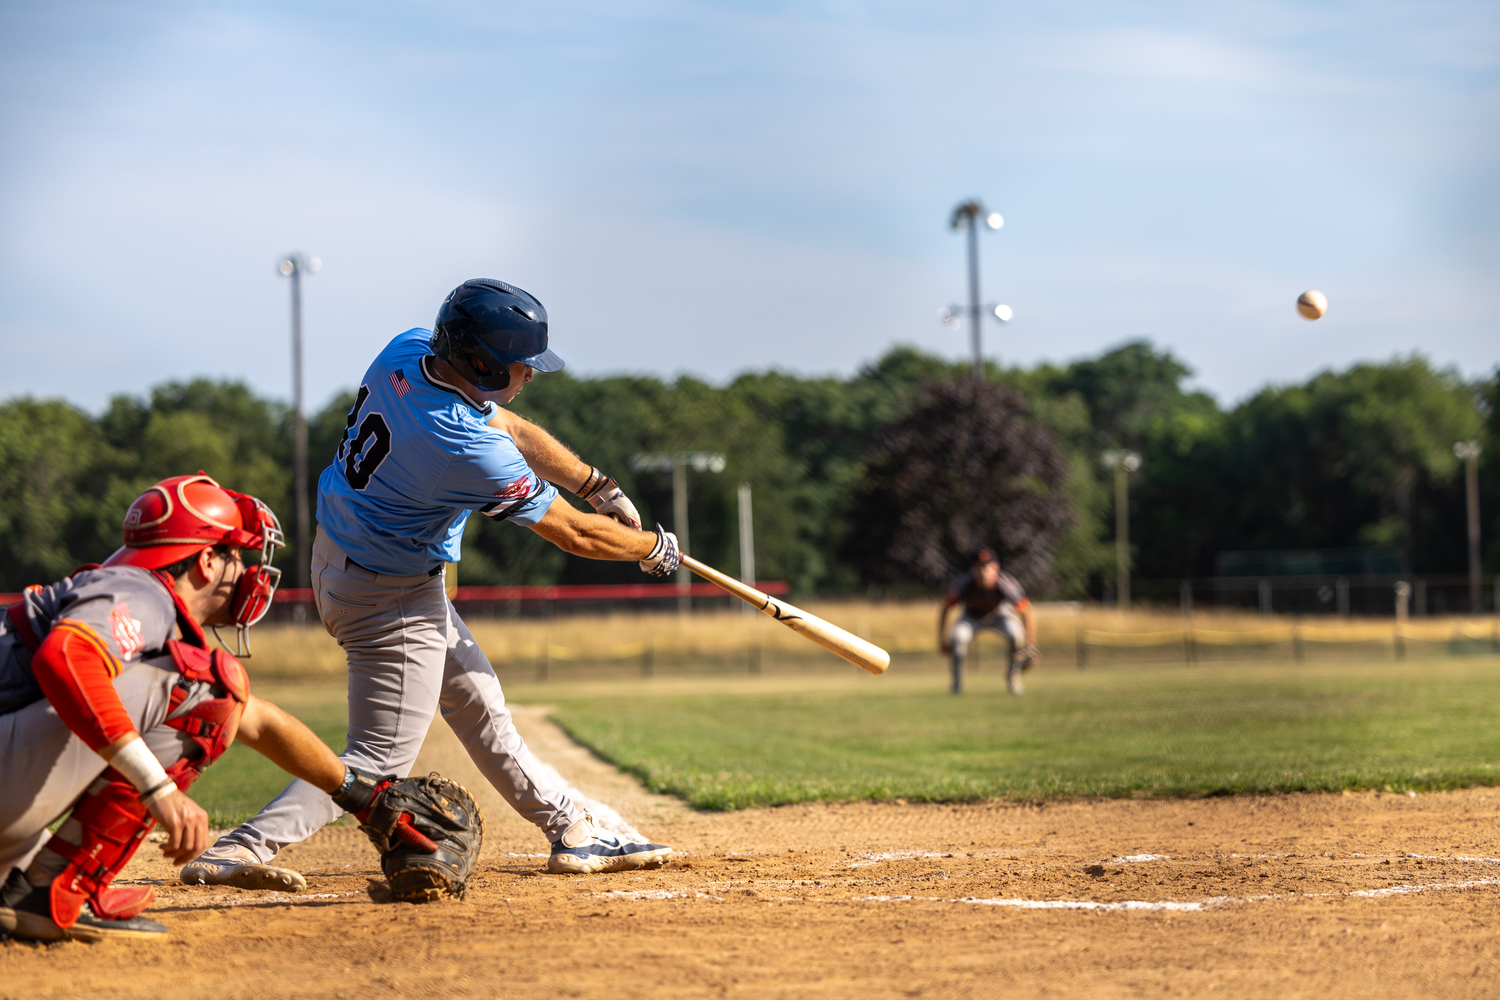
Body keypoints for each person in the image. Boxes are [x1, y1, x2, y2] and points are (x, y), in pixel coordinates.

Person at [183, 277, 681, 890]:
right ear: (481, 362)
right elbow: (573, 535)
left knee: (477, 701)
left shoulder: (408, 349)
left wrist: (597, 485)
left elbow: (514, 428)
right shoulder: (459, 446)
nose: (530, 376)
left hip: (360, 564)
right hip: (386, 595)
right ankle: (240, 848)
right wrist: (653, 551)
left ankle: (572, 827)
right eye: (521, 365)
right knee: (377, 759)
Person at [0, 475, 397, 942]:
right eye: (237, 556)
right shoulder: (144, 590)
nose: (247, 572)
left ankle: (30, 886)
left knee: (212, 690)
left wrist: (363, 798)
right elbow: (67, 657)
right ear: (207, 560)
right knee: (213, 686)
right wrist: (158, 790)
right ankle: (57, 888)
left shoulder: (130, 597)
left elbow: (257, 720)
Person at [938, 547, 1039, 696]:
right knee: (958, 637)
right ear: (973, 569)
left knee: (1015, 635)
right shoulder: (964, 584)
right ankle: (956, 684)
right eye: (979, 567)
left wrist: (1030, 643)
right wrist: (942, 639)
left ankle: (1013, 679)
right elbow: (946, 607)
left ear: (996, 568)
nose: (983, 572)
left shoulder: (1005, 583)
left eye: (987, 567)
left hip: (999, 614)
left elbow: (1026, 610)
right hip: (971, 616)